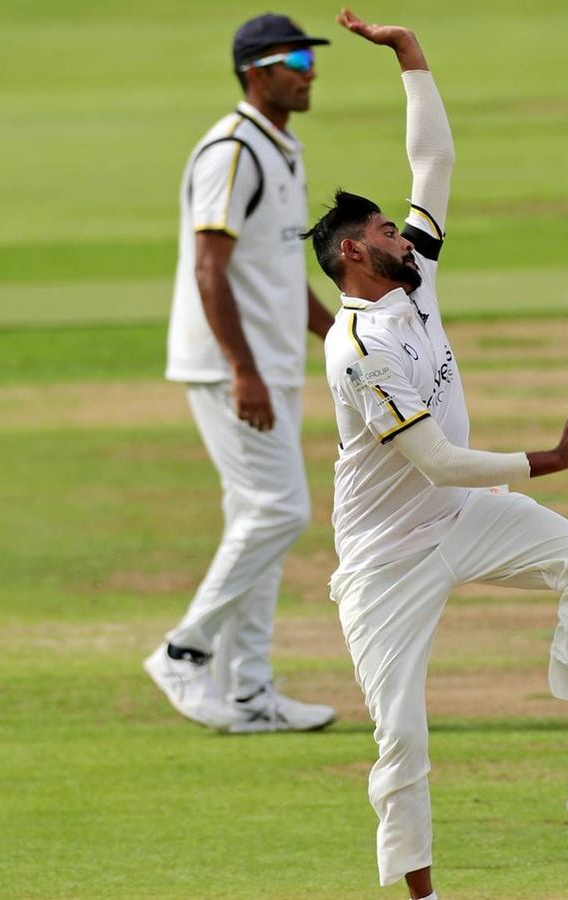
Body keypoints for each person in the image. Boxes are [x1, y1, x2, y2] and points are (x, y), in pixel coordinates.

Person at [306, 10, 568, 897]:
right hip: (387, 561)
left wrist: (410, 56)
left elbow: (432, 163)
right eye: (392, 236)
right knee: (401, 736)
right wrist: (552, 460)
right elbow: (436, 460)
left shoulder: (416, 278)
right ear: (358, 253)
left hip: (463, 519)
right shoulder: (359, 349)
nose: (409, 238)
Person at [146, 13, 338, 735]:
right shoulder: (231, 152)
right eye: (294, 58)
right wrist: (242, 371)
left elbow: (282, 272)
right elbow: (210, 267)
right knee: (281, 510)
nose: (309, 69)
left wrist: (343, 334)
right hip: (230, 368)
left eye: (311, 57)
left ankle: (251, 692)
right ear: (255, 70)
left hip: (272, 364)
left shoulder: (283, 148)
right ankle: (183, 652)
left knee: (259, 518)